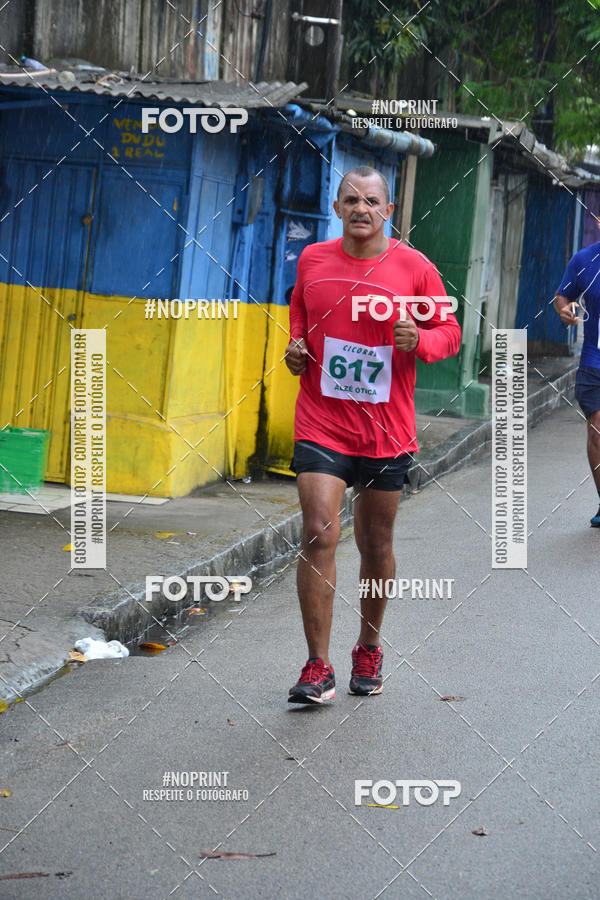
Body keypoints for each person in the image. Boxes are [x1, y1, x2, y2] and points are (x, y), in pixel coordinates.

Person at [284, 165, 461, 704]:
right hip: (322, 421)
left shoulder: (415, 268)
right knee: (319, 532)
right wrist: (296, 350)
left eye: (372, 200)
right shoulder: (313, 260)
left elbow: (450, 332)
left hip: (387, 431)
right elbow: (300, 312)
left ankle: (369, 647)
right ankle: (318, 666)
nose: (361, 208)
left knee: (375, 543)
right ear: (337, 208)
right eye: (351, 199)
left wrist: (419, 341)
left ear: (389, 211)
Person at [554, 238, 600, 526]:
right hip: (595, 361)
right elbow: (563, 295)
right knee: (597, 433)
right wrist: (564, 309)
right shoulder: (584, 260)